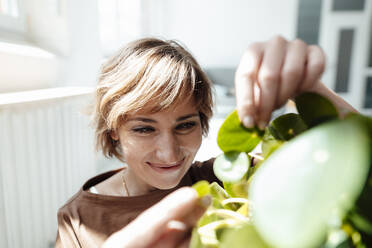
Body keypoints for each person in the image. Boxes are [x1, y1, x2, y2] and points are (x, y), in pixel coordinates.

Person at [55, 35, 356, 248]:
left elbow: (355, 165)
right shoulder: (78, 220)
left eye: (185, 125)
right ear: (113, 130)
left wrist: (309, 88)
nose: (169, 152)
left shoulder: (232, 180)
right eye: (145, 129)